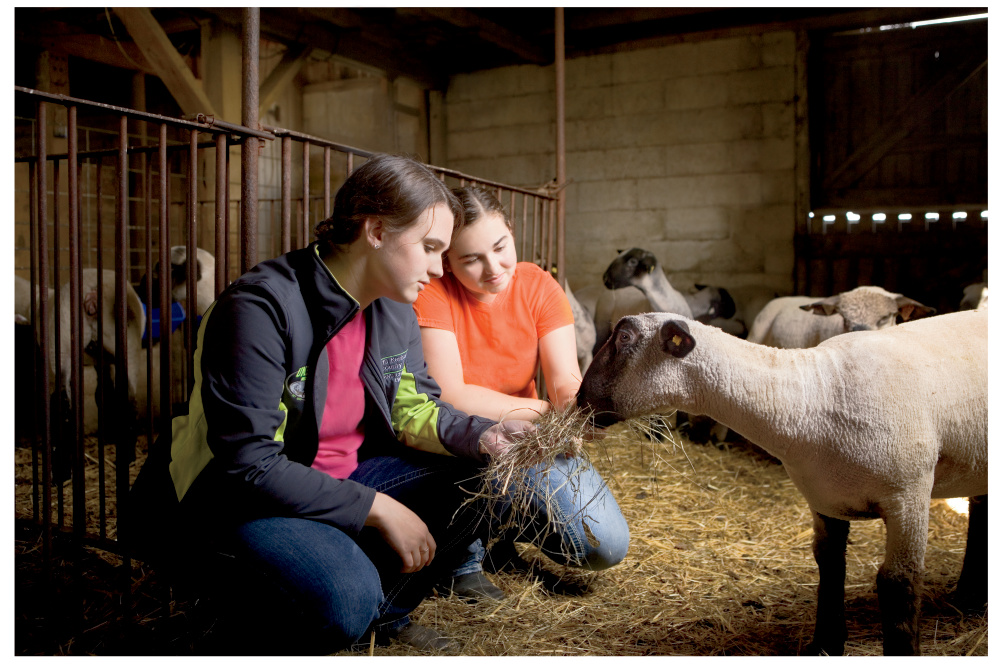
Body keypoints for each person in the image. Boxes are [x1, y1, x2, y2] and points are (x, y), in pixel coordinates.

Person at [125, 155, 532, 654]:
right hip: (243, 500)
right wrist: (376, 508)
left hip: (342, 480)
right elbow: (249, 467)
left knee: (490, 477)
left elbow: (414, 410)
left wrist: (483, 435)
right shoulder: (259, 308)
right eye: (429, 248)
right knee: (343, 603)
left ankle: (387, 614)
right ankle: (235, 622)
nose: (437, 267)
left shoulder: (394, 306)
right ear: (376, 230)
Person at [412, 185, 629, 602]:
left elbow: (565, 378)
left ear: (510, 230)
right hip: (464, 441)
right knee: (463, 454)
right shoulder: (433, 292)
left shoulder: (538, 285)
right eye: (470, 259)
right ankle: (462, 556)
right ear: (446, 261)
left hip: (531, 440)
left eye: (500, 246)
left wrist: (577, 410)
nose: (493, 268)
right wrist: (547, 411)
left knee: (606, 545)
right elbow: (452, 395)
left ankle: (502, 528)